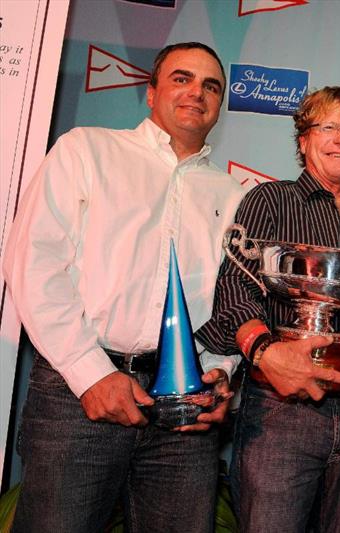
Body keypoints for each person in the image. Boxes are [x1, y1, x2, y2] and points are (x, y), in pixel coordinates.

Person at [3, 42, 243, 533]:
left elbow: (230, 300)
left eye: (211, 85)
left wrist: (220, 373)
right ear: (151, 92)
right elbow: (35, 264)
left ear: (219, 107)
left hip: (185, 411)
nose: (197, 92)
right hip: (79, 398)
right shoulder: (86, 150)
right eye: (182, 78)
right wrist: (90, 373)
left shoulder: (233, 195)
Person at [195, 86, 340, 533]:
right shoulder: (269, 200)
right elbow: (235, 287)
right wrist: (269, 353)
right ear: (303, 141)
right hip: (280, 411)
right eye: (328, 127)